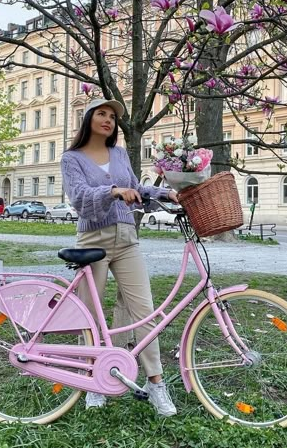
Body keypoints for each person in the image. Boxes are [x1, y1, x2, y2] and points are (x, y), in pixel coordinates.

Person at [61, 98, 178, 417]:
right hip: (92, 240)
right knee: (91, 316)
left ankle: (156, 384)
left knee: (144, 312)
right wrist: (112, 191)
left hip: (127, 239)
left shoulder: (120, 154)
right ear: (87, 119)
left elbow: (135, 188)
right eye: (101, 114)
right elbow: (80, 200)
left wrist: (164, 193)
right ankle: (92, 382)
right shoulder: (72, 158)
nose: (108, 120)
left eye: (112, 116)